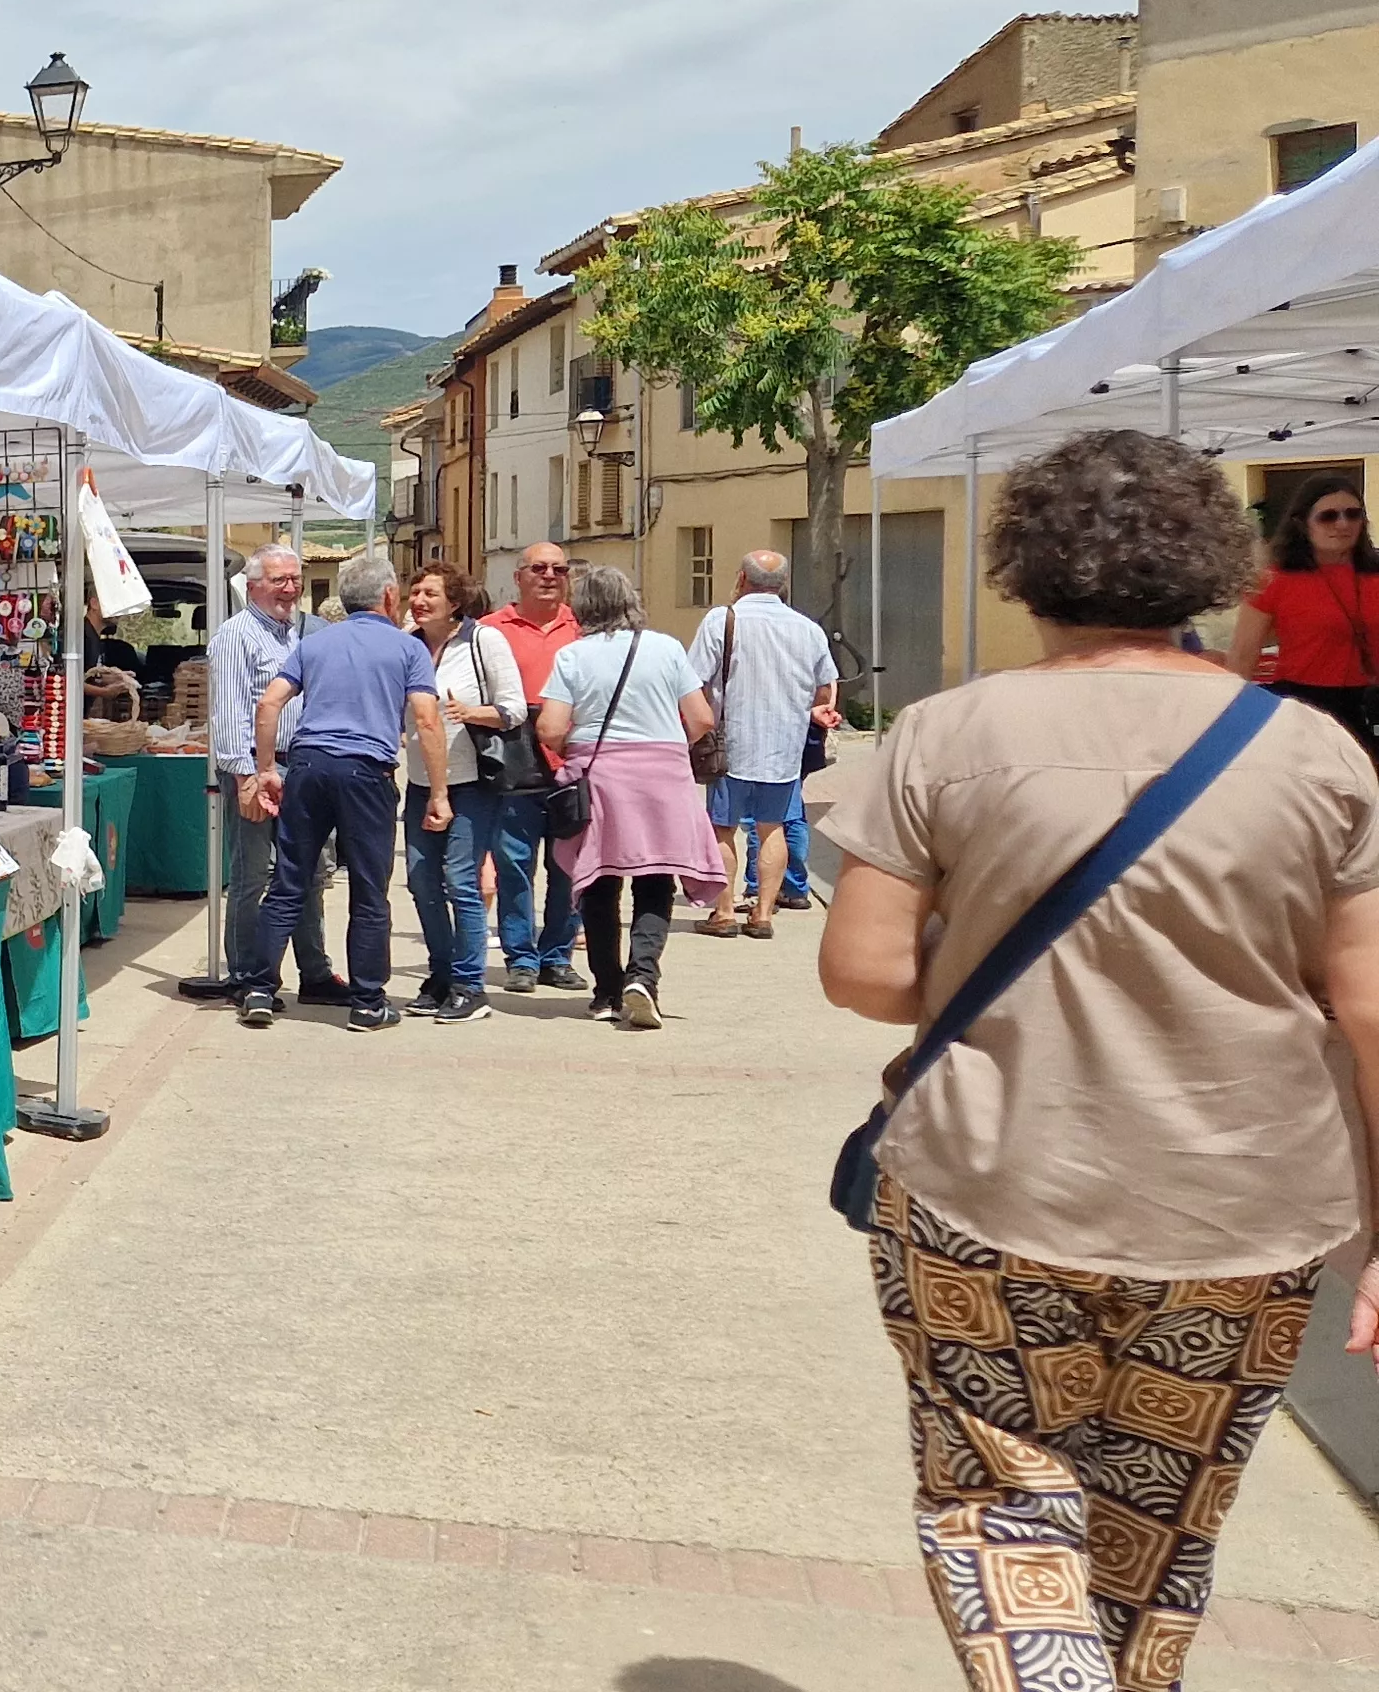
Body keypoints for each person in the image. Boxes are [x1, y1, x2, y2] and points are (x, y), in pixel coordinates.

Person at [817, 429, 1379, 1689]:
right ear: (1213, 566)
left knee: (997, 1502)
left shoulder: (943, 734)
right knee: (1159, 1525)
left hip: (989, 1184)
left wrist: (994, 965)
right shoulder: (1312, 753)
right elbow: (1369, 1005)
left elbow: (862, 973)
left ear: (1024, 566)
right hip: (1245, 1206)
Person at [233, 551, 455, 1032]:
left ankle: (258, 988)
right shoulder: (408, 648)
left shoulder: (314, 643)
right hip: (366, 772)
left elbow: (269, 704)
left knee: (288, 882)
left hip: (308, 766)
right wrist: (439, 792)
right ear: (389, 596)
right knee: (370, 890)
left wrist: (266, 768)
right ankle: (368, 1001)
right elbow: (426, 719)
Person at [532, 564, 718, 1030]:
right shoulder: (666, 648)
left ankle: (607, 993)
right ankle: (643, 977)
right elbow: (701, 719)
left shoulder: (573, 656)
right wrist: (665, 746)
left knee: (600, 883)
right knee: (655, 880)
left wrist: (575, 746)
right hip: (664, 777)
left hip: (602, 778)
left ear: (582, 607)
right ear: (631, 601)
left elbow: (549, 728)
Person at [175, 546, 336, 1005]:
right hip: (253, 766)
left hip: (300, 766)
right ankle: (247, 975)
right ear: (252, 587)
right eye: (279, 580)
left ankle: (315, 973)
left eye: (295, 579)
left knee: (308, 873)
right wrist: (245, 777)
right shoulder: (236, 635)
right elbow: (228, 713)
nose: (290, 589)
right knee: (253, 876)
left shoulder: (299, 634)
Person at [685, 552, 839, 941]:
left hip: (730, 744)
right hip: (784, 747)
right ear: (783, 584)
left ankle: (724, 913)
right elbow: (825, 688)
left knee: (723, 828)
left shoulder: (722, 620)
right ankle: (764, 913)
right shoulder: (807, 629)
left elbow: (693, 681)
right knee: (773, 828)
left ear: (741, 578)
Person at [402, 562, 520, 1023]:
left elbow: (513, 710)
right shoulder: (408, 644)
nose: (419, 600)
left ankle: (470, 985)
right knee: (420, 880)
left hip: (471, 782)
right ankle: (440, 974)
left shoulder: (483, 641)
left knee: (461, 880)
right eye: (415, 591)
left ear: (455, 602)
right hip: (419, 781)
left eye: (430, 593)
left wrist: (472, 712)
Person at [481, 543, 586, 993]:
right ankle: (521, 958)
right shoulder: (490, 630)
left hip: (573, 764)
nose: (549, 576)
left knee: (569, 868)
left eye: (559, 570)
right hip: (514, 762)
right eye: (539, 568)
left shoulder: (583, 629)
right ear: (518, 576)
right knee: (514, 865)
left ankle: (558, 956)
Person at [1227, 473, 1379, 759]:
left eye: (1353, 514)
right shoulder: (1272, 581)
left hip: (1369, 705)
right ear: (1302, 523)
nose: (1343, 524)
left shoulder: (1374, 576)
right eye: (1328, 516)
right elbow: (1243, 657)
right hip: (1305, 705)